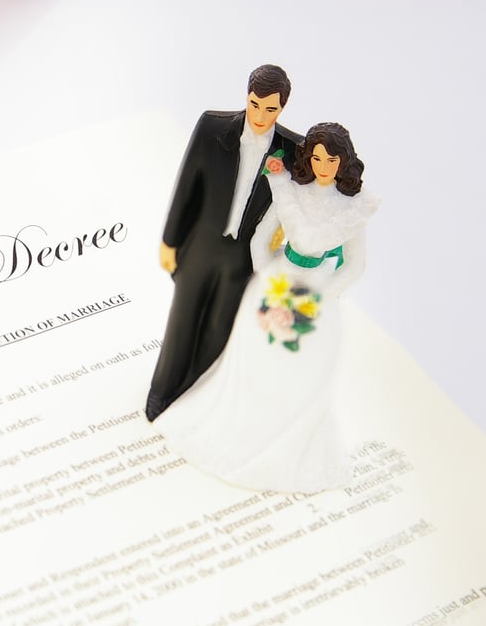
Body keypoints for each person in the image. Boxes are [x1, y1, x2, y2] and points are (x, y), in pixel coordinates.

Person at [151, 123, 380, 492]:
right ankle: (245, 426)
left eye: (331, 159)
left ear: (344, 162)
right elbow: (261, 238)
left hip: (318, 292)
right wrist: (267, 278)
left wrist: (321, 297)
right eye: (317, 158)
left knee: (304, 366)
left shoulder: (353, 209)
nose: (323, 166)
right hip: (278, 281)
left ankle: (289, 433)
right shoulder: (291, 191)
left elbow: (355, 265)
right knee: (255, 357)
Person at [146, 65, 301, 421]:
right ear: (246, 97)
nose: (260, 116)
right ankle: (162, 392)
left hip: (243, 257)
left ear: (282, 108)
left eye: (271, 109)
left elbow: (300, 202)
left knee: (219, 327)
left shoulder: (292, 150)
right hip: (200, 244)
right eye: (254, 104)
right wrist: (170, 240)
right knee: (182, 320)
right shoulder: (212, 127)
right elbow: (187, 184)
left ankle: (195, 393)